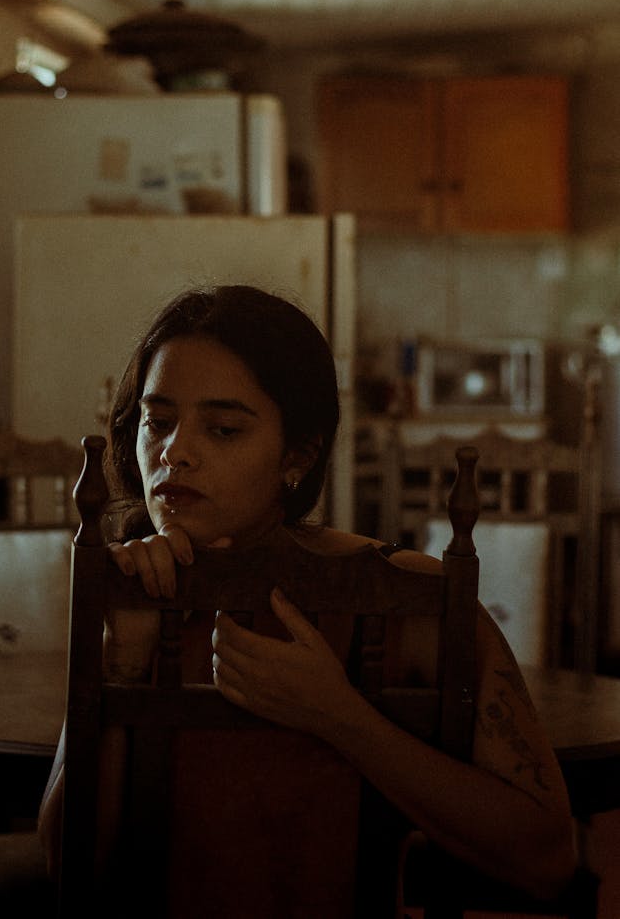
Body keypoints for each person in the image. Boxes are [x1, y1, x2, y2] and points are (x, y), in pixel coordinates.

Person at [38, 284, 576, 916]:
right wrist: (119, 657)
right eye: (157, 422)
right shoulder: (131, 599)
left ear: (298, 455)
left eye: (223, 428)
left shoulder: (404, 599)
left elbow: (547, 857)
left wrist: (338, 715)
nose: (174, 453)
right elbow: (62, 869)